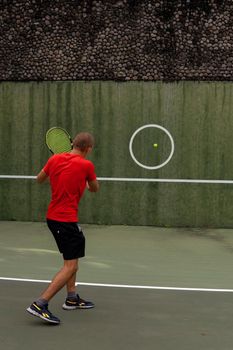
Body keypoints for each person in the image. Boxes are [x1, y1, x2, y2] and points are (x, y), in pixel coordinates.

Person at [27, 132, 99, 325]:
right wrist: (81, 180)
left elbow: (39, 179)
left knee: (71, 257)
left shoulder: (54, 159)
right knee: (71, 265)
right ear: (88, 148)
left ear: (72, 144)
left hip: (54, 218)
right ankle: (40, 304)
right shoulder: (86, 165)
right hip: (65, 221)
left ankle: (72, 298)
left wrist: (57, 171)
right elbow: (94, 188)